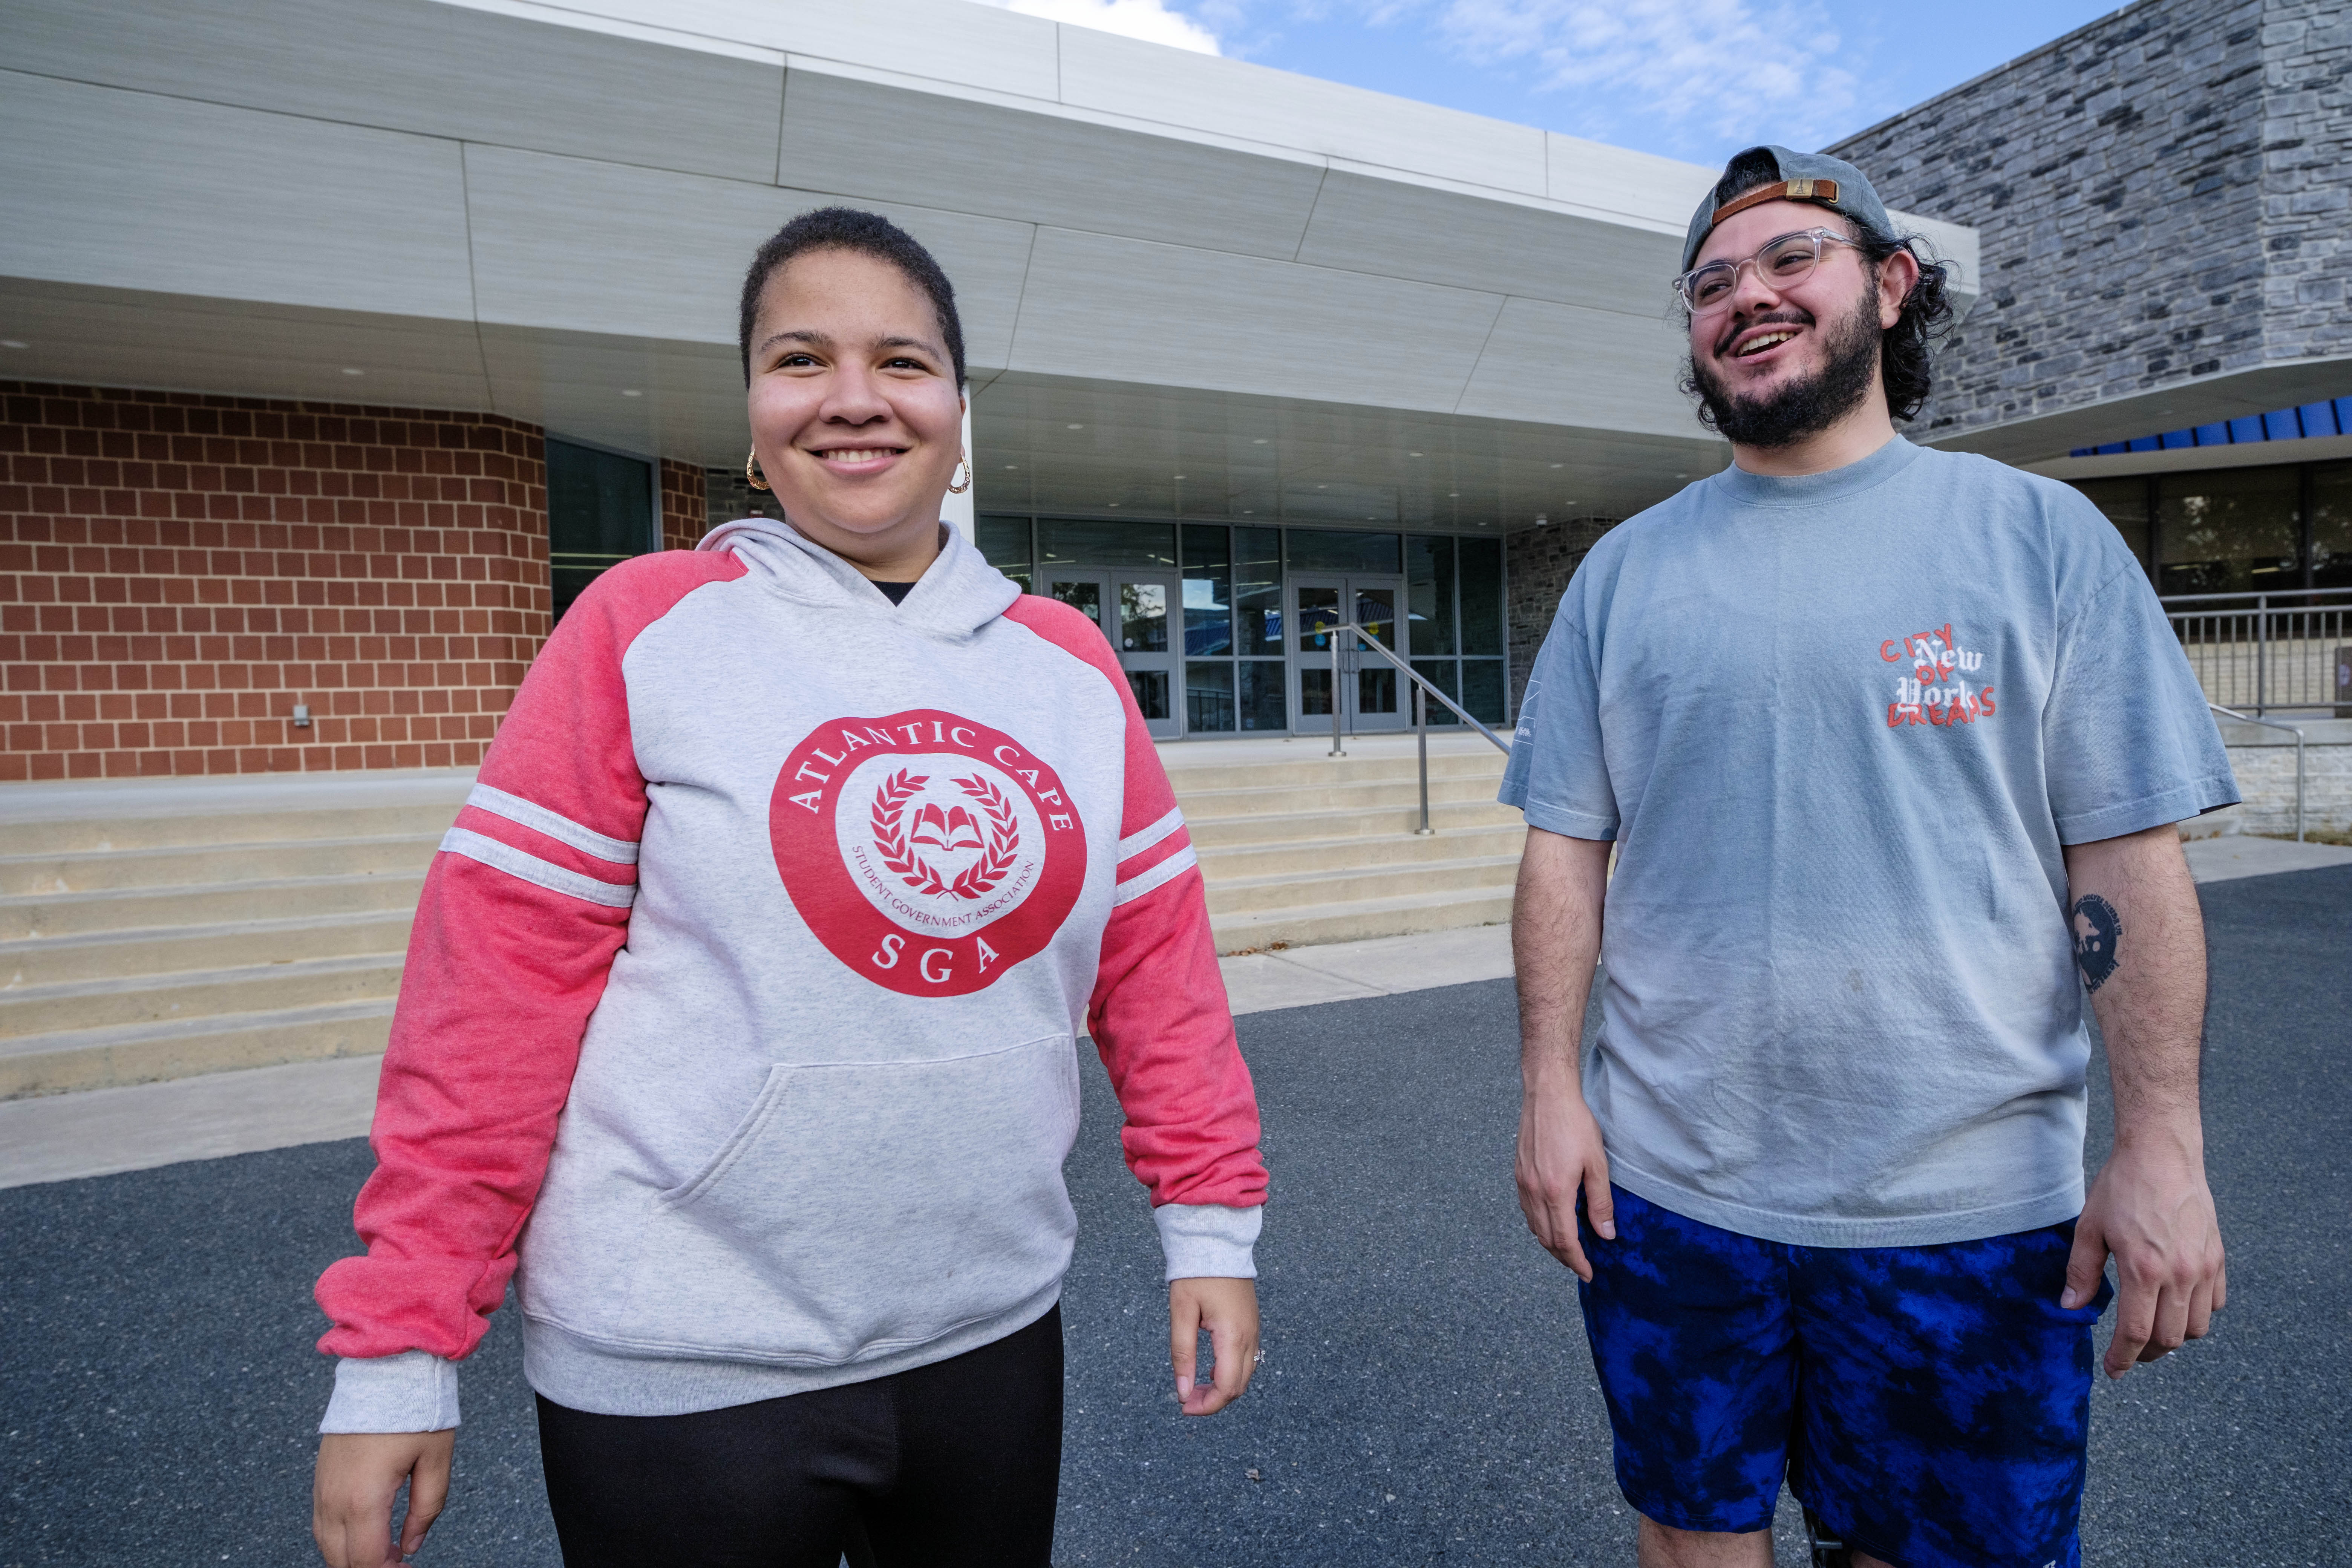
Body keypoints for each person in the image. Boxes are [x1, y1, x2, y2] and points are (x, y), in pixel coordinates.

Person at [308, 207, 1268, 1568]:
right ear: (753, 418)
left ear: (957, 409)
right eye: (801, 359)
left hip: (987, 1329)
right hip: (681, 1360)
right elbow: (492, 1011)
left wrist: (1210, 1227)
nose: (856, 400)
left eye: (904, 361)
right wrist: (401, 1346)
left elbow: (1157, 974)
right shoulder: (641, 630)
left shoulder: (1067, 665)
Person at [1504, 147, 2236, 1568]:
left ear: (1892, 288)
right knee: (1690, 1540)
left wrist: (2163, 1144)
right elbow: (1563, 855)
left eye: (1791, 262)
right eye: (1712, 284)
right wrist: (1547, 1086)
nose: (1746, 299)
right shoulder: (1623, 575)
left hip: (1969, 1212)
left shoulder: (2040, 541)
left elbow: (2127, 868)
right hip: (1673, 1190)